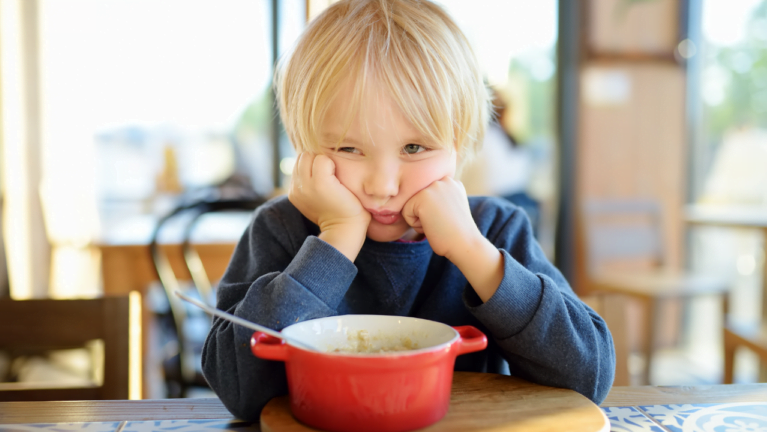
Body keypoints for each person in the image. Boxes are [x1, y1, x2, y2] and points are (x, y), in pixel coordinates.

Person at [202, 0, 615, 422]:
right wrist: (337, 237)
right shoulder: (281, 230)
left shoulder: (494, 230)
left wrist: (474, 253)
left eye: (414, 148)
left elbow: (589, 377)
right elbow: (238, 391)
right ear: (304, 144)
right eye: (348, 148)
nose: (382, 186)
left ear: (459, 142)